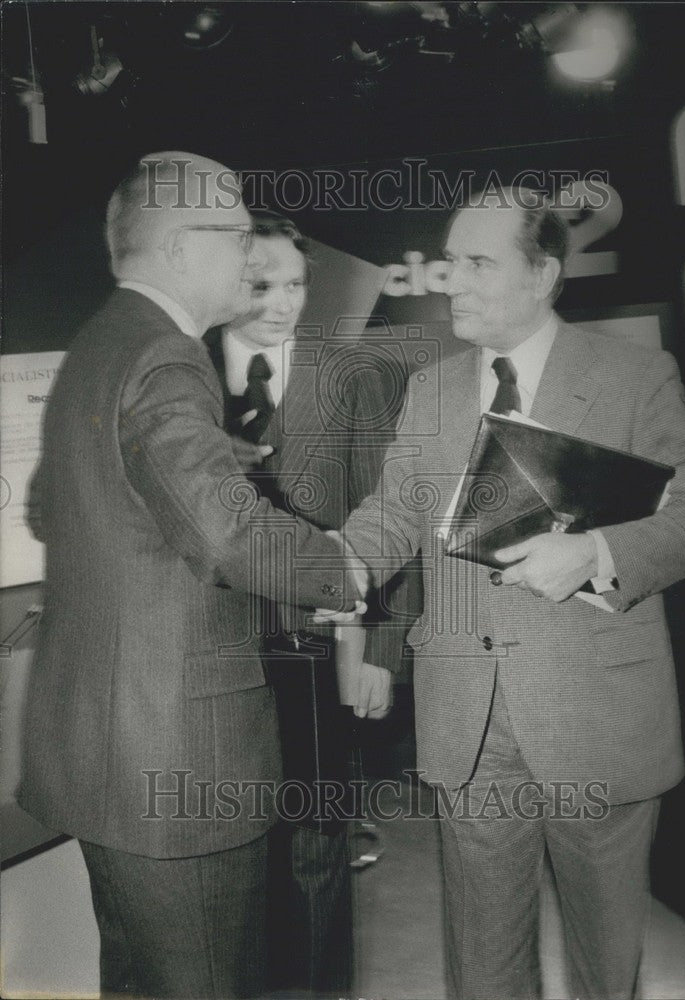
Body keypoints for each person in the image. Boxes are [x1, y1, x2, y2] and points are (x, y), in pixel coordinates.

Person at [318, 188, 685, 999]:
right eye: (448, 263)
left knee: (603, 962)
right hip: (465, 720)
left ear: (543, 274)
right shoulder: (430, 389)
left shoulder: (633, 377)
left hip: (598, 718)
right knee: (481, 958)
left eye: (478, 263)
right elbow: (392, 514)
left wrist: (596, 551)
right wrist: (332, 567)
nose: (452, 283)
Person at [18, 152, 361, 1000]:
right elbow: (230, 542)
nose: (251, 257)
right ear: (178, 248)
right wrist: (345, 566)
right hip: (180, 765)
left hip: (103, 757)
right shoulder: (170, 359)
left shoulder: (101, 345)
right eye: (239, 234)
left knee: (139, 980)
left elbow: (49, 508)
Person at [204, 211, 417, 996]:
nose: (282, 301)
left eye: (294, 283)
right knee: (230, 842)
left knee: (317, 840)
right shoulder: (180, 372)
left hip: (324, 651)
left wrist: (379, 652)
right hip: (210, 654)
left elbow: (390, 512)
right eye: (261, 285)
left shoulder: (347, 376)